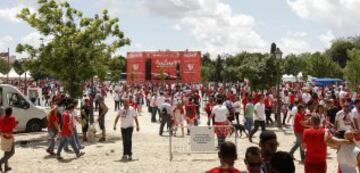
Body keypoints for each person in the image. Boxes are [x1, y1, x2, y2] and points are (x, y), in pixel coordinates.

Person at [0, 107, 17, 172]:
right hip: (9, 137)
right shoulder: (12, 118)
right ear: (11, 112)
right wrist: (16, 123)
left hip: (3, 136)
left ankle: (6, 167)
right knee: (12, 152)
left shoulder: (1, 119)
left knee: (6, 152)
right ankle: (0, 162)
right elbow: (14, 126)